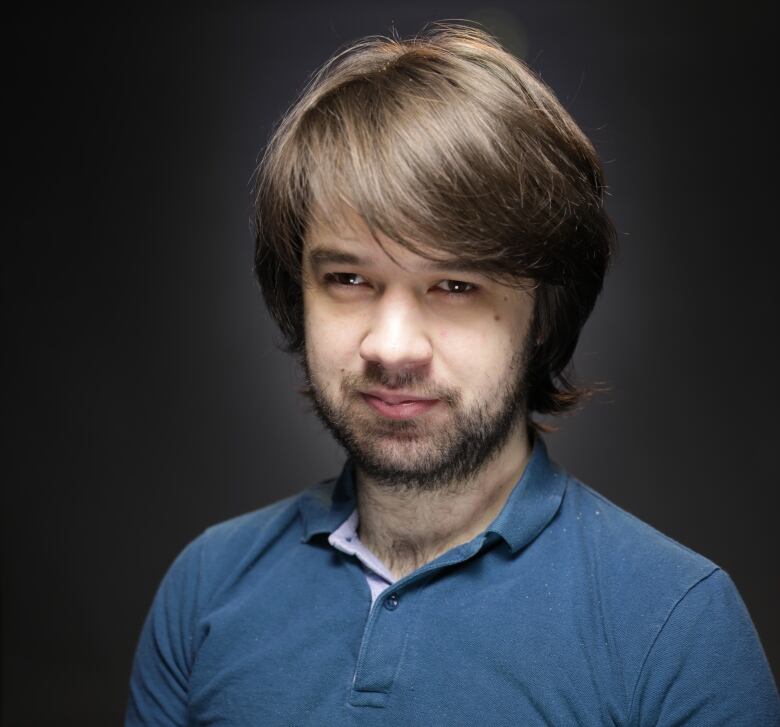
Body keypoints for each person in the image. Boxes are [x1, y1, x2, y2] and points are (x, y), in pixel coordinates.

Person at [126, 24, 779, 726]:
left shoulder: (677, 625)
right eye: (348, 277)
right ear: (298, 293)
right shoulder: (206, 588)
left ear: (543, 314)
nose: (392, 345)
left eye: (456, 285)